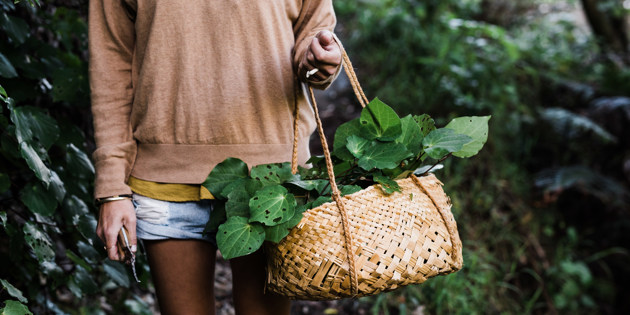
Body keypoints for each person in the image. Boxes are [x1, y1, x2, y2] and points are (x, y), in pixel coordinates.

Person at [88, 1, 342, 314]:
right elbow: (110, 62)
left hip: (272, 178)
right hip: (166, 177)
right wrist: (112, 187)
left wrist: (319, 59)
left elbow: (313, 29)